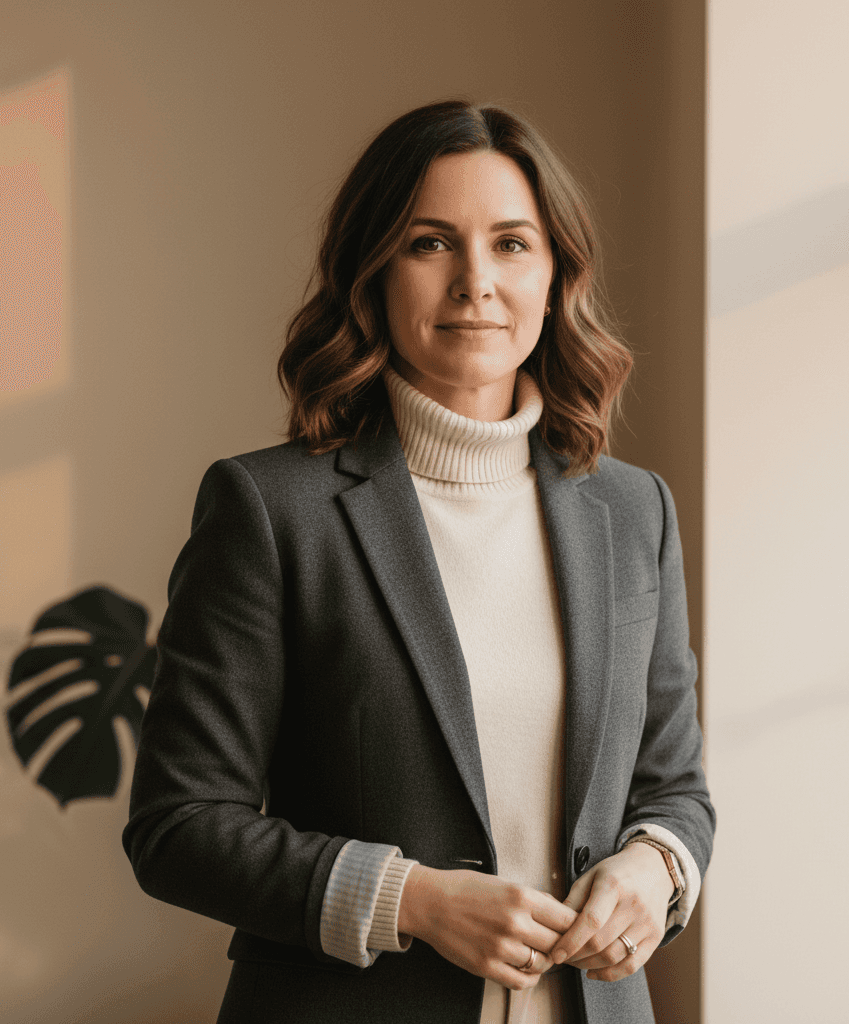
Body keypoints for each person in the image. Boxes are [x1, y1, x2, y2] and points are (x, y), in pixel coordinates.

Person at [123, 98, 716, 1024]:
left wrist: (657, 867)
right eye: (430, 243)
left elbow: (674, 789)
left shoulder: (634, 511)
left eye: (512, 243)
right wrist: (415, 902)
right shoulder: (271, 511)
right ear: (373, 275)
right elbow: (179, 825)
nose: (476, 281)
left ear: (557, 273)